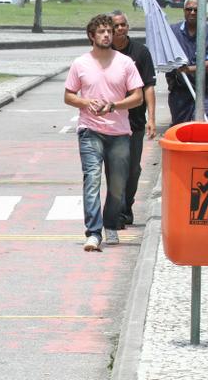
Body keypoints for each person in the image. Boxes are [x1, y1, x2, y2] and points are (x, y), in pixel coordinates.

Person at [64, 14, 143, 252]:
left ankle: (110, 223)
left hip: (119, 132)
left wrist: (113, 106)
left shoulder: (125, 62)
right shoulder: (80, 63)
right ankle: (93, 232)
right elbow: (68, 96)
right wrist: (87, 102)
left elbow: (137, 97)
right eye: (101, 31)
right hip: (90, 130)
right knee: (92, 179)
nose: (107, 34)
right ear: (92, 36)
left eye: (109, 31)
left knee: (118, 186)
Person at [111, 11, 157, 228]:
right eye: (116, 26)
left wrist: (152, 118)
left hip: (135, 121)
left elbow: (149, 85)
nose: (120, 29)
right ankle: (118, 212)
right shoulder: (104, 53)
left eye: (123, 25)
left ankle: (126, 205)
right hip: (110, 122)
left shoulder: (140, 52)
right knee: (116, 167)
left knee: (132, 169)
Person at [166, 0, 208, 124]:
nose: (192, 13)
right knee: (179, 127)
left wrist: (188, 69)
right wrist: (171, 79)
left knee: (200, 124)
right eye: (189, 9)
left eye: (196, 10)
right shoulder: (172, 32)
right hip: (180, 90)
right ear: (183, 10)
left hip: (203, 90)